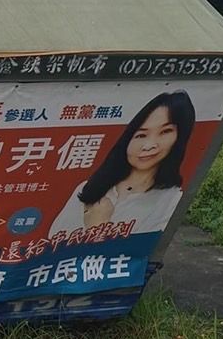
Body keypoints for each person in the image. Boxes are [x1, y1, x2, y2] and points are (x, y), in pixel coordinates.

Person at [50, 90, 196, 237]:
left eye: (165, 132)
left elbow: (137, 255)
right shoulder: (88, 188)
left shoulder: (169, 200)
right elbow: (51, 245)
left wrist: (97, 228)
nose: (149, 145)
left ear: (180, 136)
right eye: (141, 135)